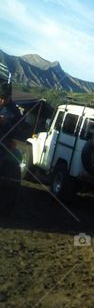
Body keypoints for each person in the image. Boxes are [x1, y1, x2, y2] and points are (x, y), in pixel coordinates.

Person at [0, 72, 23, 218]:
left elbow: (5, 121)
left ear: (8, 97)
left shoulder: (13, 111)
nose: (1, 100)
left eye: (3, 98)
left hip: (5, 144)